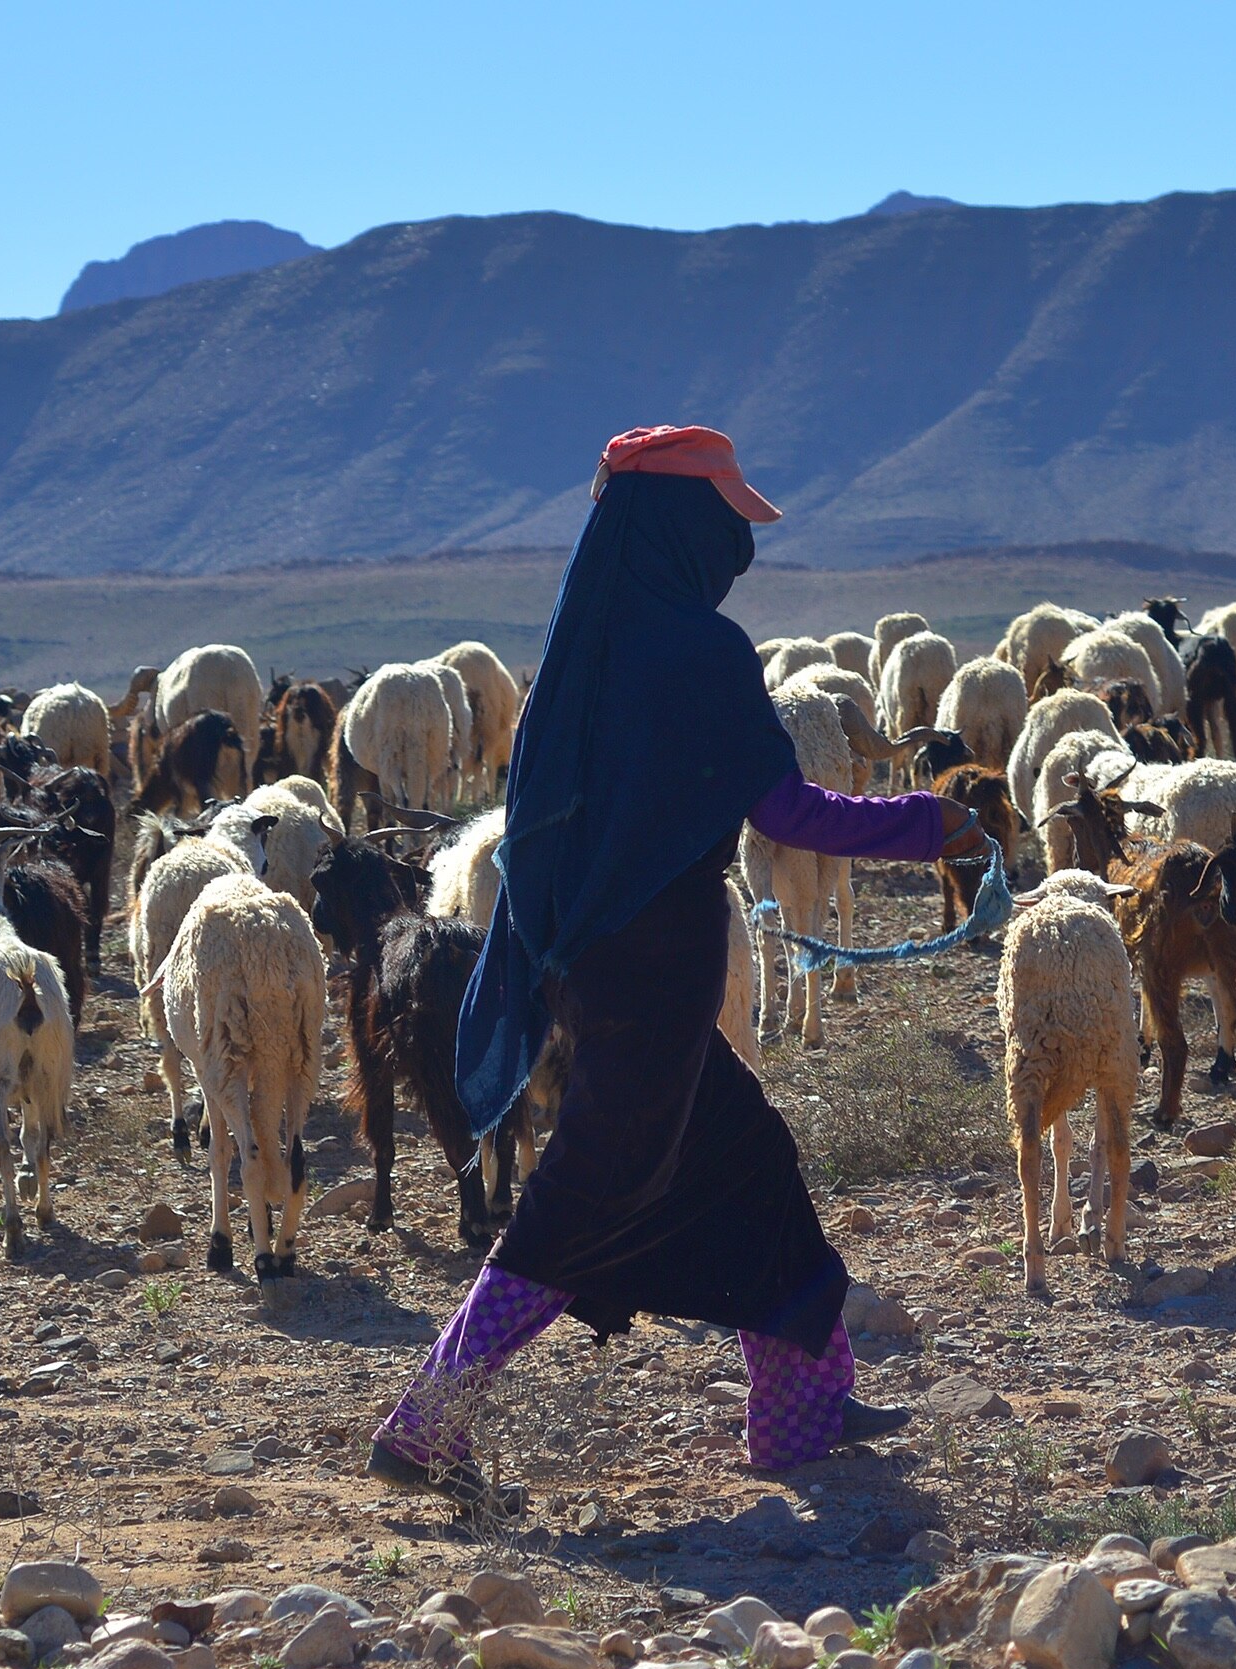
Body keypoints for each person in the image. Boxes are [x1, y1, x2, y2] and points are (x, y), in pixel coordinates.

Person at [368, 425, 988, 1509]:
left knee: (749, 1163)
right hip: (653, 984)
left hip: (601, 969)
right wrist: (934, 827)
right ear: (678, 526)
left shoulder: (582, 655)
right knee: (585, 1193)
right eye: (723, 518)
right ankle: (430, 1420)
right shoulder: (700, 655)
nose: (738, 542)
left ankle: (802, 1407)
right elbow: (787, 811)